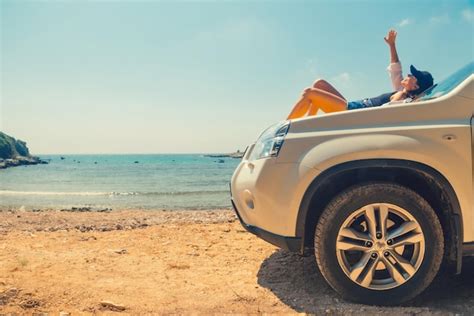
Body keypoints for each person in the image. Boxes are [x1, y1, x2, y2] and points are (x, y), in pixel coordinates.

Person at [286, 29, 434, 120]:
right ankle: (309, 122)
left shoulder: (403, 100)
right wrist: (392, 45)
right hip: (352, 105)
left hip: (352, 113)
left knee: (309, 93)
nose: (408, 74)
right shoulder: (401, 91)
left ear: (415, 85)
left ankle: (287, 128)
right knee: (319, 83)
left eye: (412, 76)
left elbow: (384, 113)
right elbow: (396, 69)